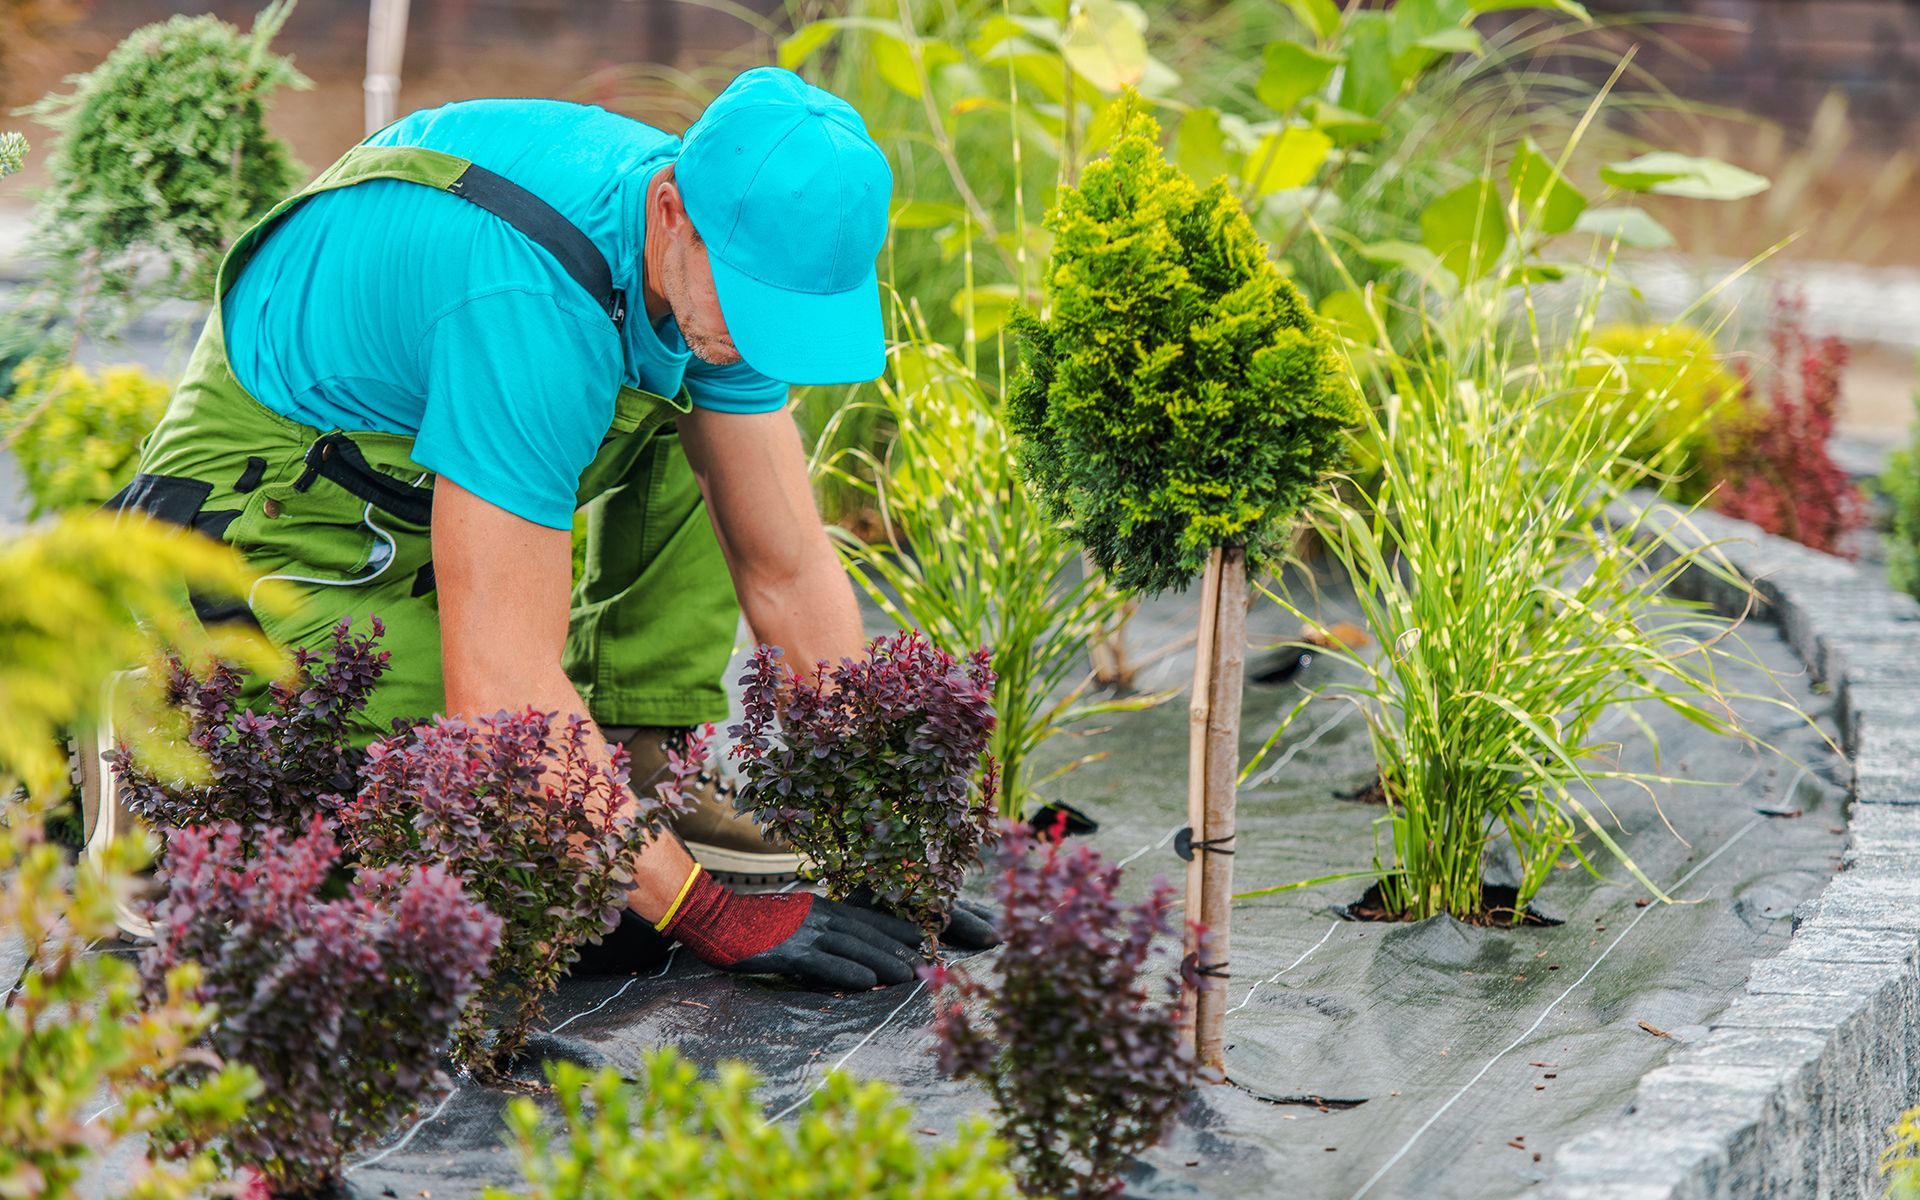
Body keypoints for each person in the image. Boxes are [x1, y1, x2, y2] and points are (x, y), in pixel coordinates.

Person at [106, 66, 993, 989]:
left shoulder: (713, 270)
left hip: (424, 458)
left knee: (709, 424)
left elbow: (788, 568)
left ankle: (641, 760)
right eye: (751, 304)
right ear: (668, 211)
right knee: (493, 901)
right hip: (276, 509)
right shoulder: (527, 301)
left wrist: (883, 844)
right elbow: (502, 689)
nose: (760, 339)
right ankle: (152, 721)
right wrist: (709, 913)